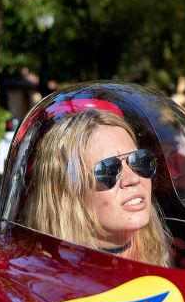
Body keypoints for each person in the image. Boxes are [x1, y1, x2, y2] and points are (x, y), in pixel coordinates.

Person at [22, 106, 172, 266]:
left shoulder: (171, 254)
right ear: (66, 192)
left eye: (139, 160)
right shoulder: (40, 279)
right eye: (108, 169)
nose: (133, 178)